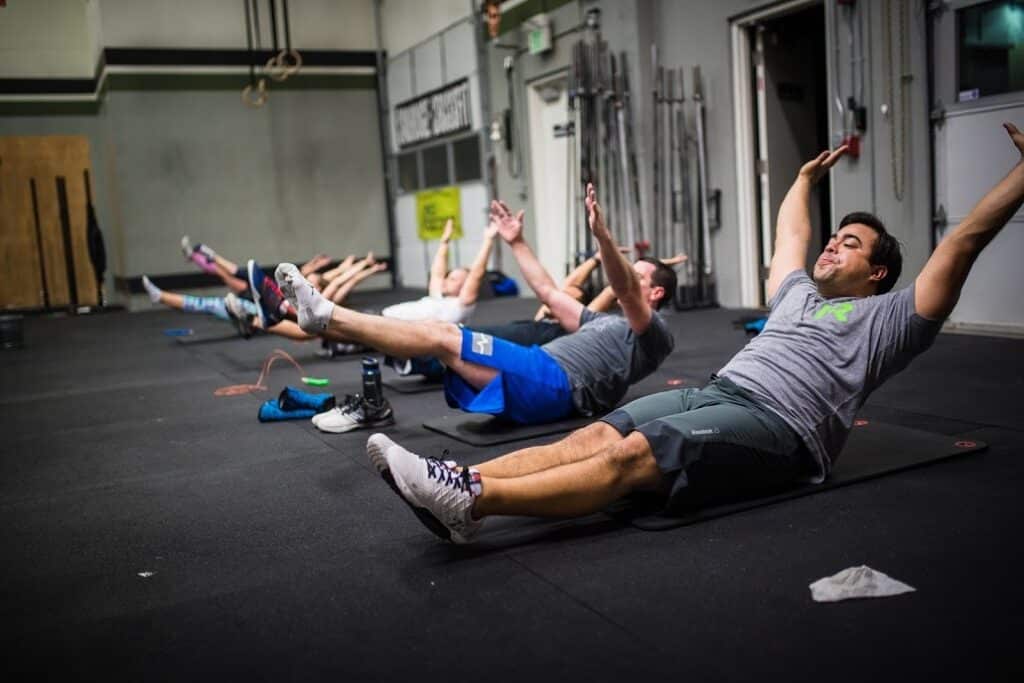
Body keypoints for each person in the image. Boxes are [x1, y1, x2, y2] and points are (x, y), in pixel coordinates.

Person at [365, 123, 1024, 544]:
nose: (831, 245)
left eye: (849, 244)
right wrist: (801, 179)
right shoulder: (796, 293)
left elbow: (964, 240)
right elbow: (791, 235)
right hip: (719, 389)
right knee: (593, 436)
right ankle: (456, 476)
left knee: (632, 457)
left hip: (782, 427)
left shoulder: (892, 320)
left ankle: (473, 501)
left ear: (877, 273)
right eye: (834, 236)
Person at [273, 183, 677, 433]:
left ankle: (327, 315)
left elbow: (625, 289)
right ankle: (324, 321)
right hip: (540, 370)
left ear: (656, 293)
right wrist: (516, 242)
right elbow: (548, 293)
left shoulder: (654, 334)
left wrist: (603, 238)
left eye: (639, 275)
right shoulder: (600, 321)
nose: (629, 276)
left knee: (443, 336)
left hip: (557, 382)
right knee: (438, 337)